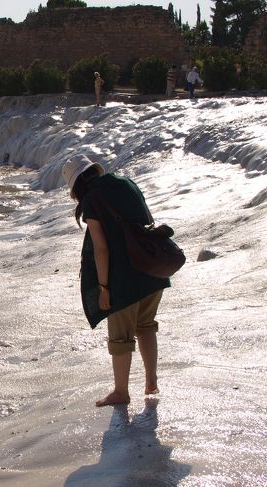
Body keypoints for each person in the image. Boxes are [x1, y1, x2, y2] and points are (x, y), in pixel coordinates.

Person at [62, 154, 170, 407]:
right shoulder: (126, 183)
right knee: (146, 326)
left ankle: (121, 392)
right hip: (153, 268)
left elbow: (101, 248)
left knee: (120, 338)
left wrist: (103, 288)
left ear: (77, 185)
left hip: (124, 277)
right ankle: (151, 381)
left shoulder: (92, 200)